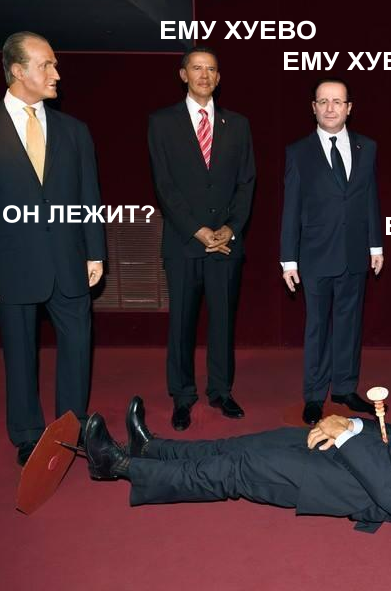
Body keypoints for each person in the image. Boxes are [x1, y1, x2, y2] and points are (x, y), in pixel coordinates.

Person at [84, 397, 391, 545]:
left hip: (337, 481)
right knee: (236, 445)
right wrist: (351, 423)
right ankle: (153, 448)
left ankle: (119, 466)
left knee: (234, 470)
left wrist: (347, 437)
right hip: (338, 445)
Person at [0, 31, 106, 466]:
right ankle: (27, 434)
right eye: (46, 65)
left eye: (54, 64)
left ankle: (72, 427)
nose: (56, 73)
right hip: (11, 264)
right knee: (19, 353)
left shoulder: (75, 131)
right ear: (18, 71)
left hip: (69, 260)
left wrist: (96, 251)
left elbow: (88, 196)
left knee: (77, 346)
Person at [148, 46, 256, 430]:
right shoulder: (162, 123)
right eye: (197, 68)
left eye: (211, 69)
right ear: (184, 75)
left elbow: (246, 182)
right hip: (184, 242)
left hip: (226, 243)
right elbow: (164, 186)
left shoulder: (238, 125)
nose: (204, 75)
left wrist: (231, 227)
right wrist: (198, 230)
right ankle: (182, 396)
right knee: (181, 324)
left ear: (219, 77)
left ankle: (221, 391)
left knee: (223, 322)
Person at [279, 78, 383, 425]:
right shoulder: (298, 151)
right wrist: (288, 259)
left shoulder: (367, 147)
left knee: (350, 325)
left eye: (337, 101)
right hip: (315, 255)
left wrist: (375, 245)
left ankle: (344, 388)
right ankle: (313, 395)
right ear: (313, 108)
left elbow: (370, 199)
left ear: (349, 108)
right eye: (323, 101)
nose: (330, 108)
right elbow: (291, 208)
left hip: (354, 253)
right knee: (317, 327)